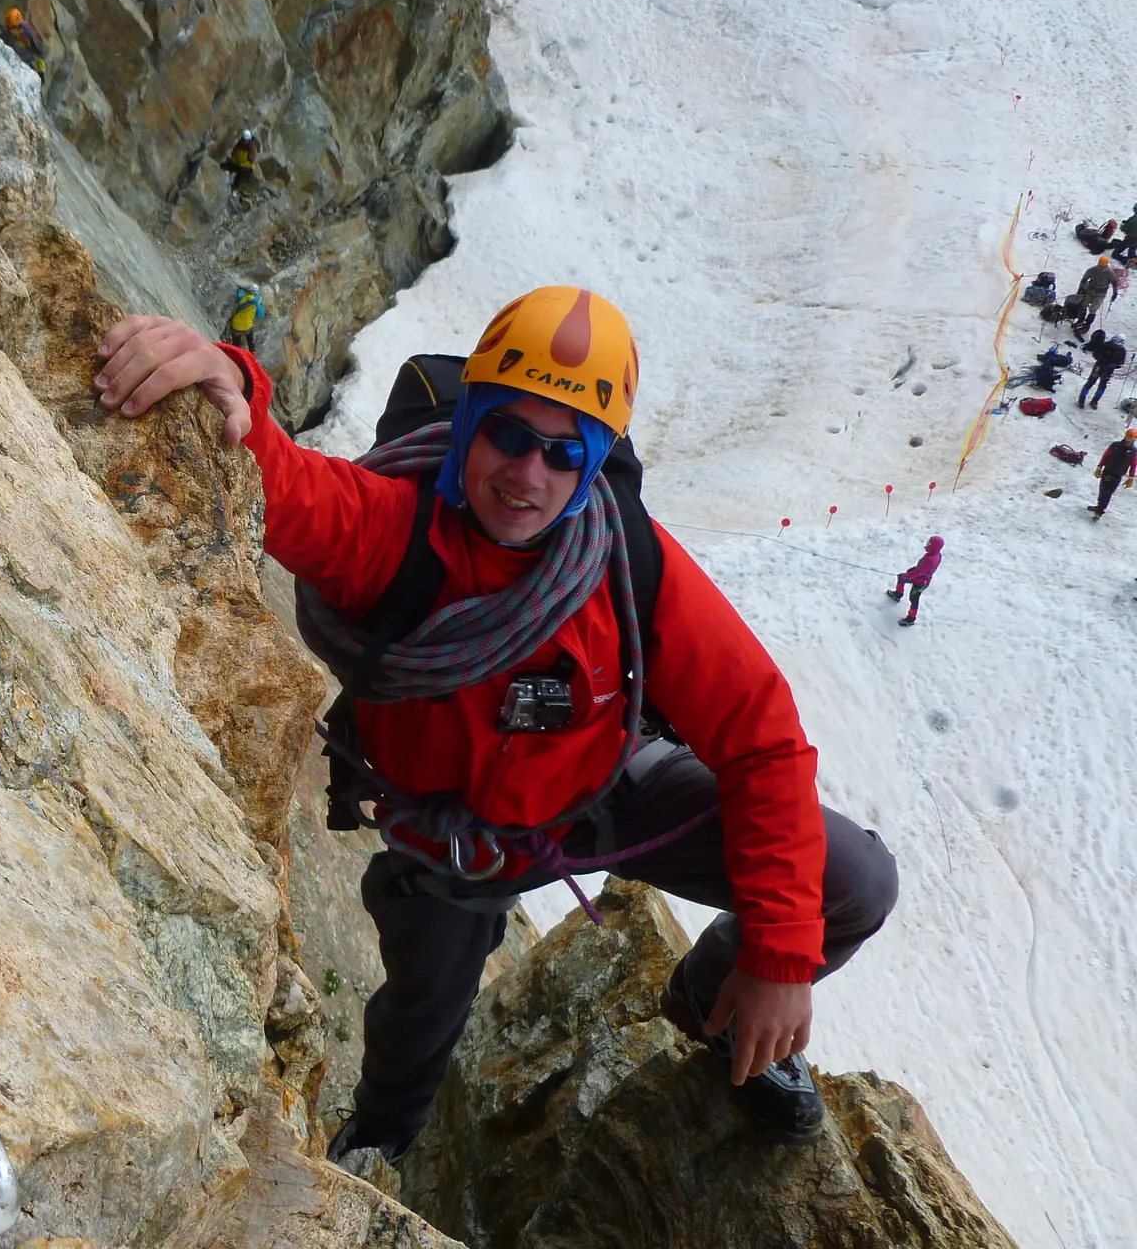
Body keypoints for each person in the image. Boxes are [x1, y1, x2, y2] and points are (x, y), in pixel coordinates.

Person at [91, 289, 900, 1165]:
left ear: (595, 465)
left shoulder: (627, 563)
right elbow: (282, 483)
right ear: (470, 421)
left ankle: (710, 1001)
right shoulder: (394, 534)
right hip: (454, 842)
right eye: (508, 435)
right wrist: (229, 387)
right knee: (415, 1039)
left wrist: (778, 958)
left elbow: (760, 736)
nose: (527, 474)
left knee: (852, 885)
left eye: (564, 452)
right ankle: (378, 1147)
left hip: (601, 788)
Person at [885, 537, 944, 627]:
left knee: (914, 598)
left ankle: (911, 618)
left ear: (934, 547)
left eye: (929, 543)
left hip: (920, 583)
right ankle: (898, 594)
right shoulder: (936, 555)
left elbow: (918, 572)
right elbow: (921, 570)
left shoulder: (930, 560)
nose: (927, 544)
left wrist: (908, 575)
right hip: (920, 577)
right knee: (901, 579)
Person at [1091, 429, 1137, 517]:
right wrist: (1099, 467)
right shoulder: (1115, 445)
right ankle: (1099, 506)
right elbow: (1106, 456)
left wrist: (1131, 478)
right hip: (1107, 471)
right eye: (1127, 439)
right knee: (1102, 490)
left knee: (1108, 492)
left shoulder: (1134, 452)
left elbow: (1133, 464)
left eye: (1131, 440)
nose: (1128, 441)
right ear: (1125, 437)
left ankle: (1100, 511)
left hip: (1117, 475)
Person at [1081, 332, 1127, 408]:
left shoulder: (1121, 351)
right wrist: (1101, 360)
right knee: (1090, 383)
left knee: (1102, 386)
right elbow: (1095, 354)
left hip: (1108, 371)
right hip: (1099, 367)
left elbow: (1121, 362)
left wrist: (1114, 365)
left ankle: (1095, 401)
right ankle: (1081, 400)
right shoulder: (1106, 345)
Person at [1075, 256, 1118, 336]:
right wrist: (1081, 288)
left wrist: (1115, 293)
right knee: (1083, 304)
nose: (1101, 268)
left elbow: (1114, 283)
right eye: (1100, 266)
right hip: (1089, 290)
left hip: (1100, 294)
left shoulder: (1110, 273)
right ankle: (1080, 320)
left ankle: (1086, 325)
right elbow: (1084, 279)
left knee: (1093, 309)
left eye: (1103, 266)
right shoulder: (1092, 270)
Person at [0, 7, 46, 76]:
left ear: (18, 25)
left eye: (12, 28)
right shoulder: (9, 32)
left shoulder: (29, 33)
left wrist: (41, 72)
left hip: (27, 63)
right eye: (8, 27)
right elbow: (1, 38)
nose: (10, 31)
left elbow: (40, 52)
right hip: (12, 58)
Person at [223, 284, 265, 351]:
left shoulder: (242, 298)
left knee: (236, 337)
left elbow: (240, 294)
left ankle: (236, 349)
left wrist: (241, 289)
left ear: (248, 291)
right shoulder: (256, 304)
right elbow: (261, 315)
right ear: (257, 293)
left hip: (235, 326)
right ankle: (252, 350)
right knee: (250, 333)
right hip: (247, 327)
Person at [221, 129, 260, 200]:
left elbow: (251, 162)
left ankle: (234, 190)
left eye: (246, 140)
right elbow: (233, 156)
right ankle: (226, 176)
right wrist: (235, 162)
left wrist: (241, 164)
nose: (244, 141)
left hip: (247, 168)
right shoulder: (238, 146)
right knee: (223, 165)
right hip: (237, 165)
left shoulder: (252, 149)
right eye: (243, 139)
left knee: (240, 176)